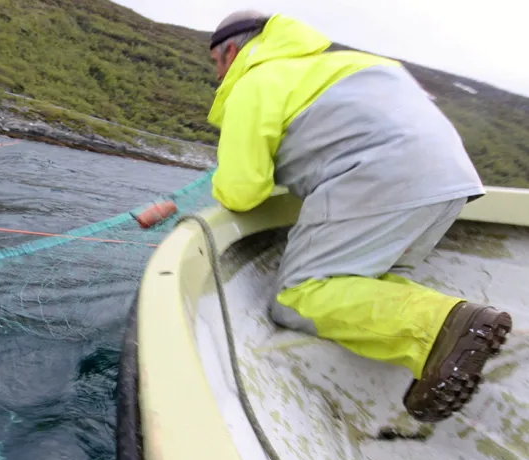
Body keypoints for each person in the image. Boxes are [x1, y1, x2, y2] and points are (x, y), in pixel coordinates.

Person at [206, 10, 512, 422]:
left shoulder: (257, 79)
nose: (219, 76)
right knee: (359, 284)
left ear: (229, 51)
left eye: (216, 65)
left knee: (299, 296)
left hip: (382, 177)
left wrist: (222, 183)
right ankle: (437, 352)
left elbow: (243, 192)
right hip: (450, 182)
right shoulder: (353, 64)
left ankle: (441, 326)